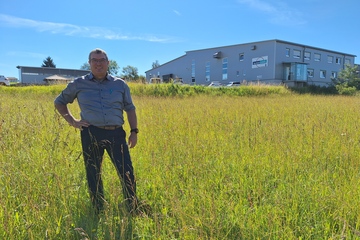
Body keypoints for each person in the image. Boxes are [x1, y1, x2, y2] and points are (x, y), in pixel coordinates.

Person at [54, 48, 140, 214]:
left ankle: (132, 207)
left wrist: (134, 131)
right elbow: (59, 102)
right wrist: (73, 121)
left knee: (126, 171)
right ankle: (98, 209)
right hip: (91, 133)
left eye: (102, 60)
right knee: (93, 172)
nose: (98, 64)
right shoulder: (78, 84)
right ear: (89, 63)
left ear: (108, 63)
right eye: (95, 60)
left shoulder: (119, 84)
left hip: (116, 133)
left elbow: (130, 108)